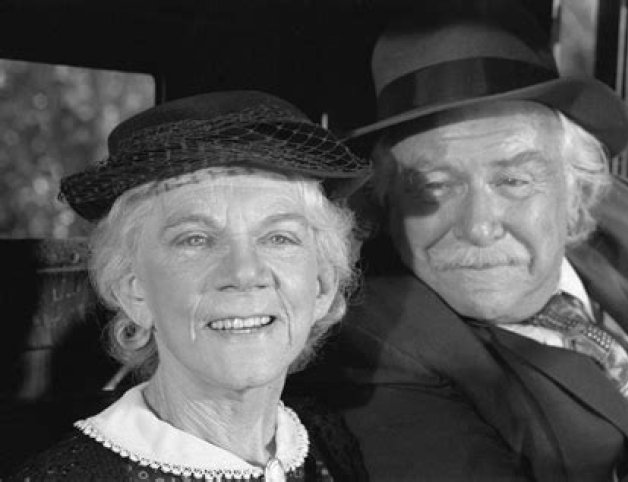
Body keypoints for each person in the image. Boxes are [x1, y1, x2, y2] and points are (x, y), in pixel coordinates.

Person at [292, 4, 628, 481]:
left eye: (513, 180)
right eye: (434, 186)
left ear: (575, 190)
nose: (479, 227)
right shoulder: (369, 350)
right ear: (387, 202)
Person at [9, 90, 371, 481]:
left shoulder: (326, 440)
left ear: (321, 286)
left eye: (279, 237)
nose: (244, 273)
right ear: (134, 290)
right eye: (196, 239)